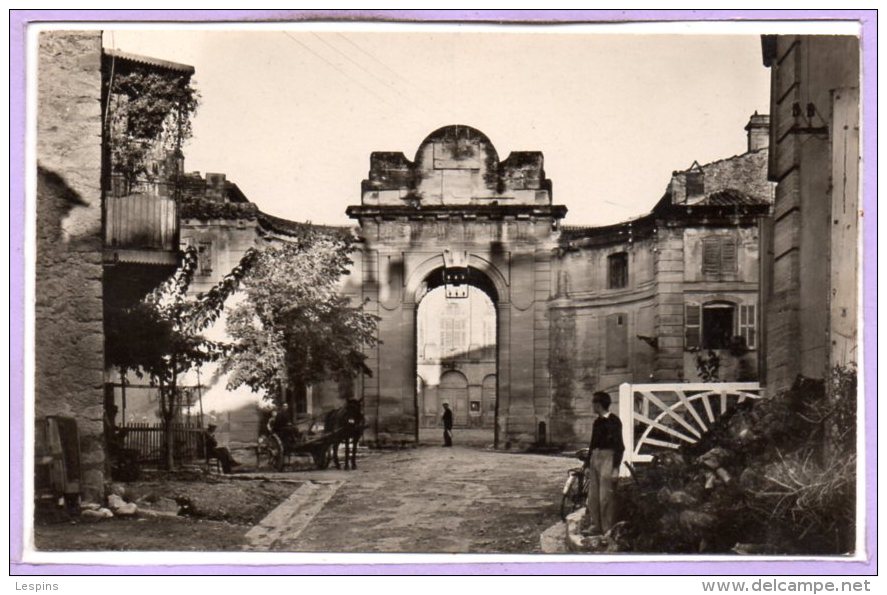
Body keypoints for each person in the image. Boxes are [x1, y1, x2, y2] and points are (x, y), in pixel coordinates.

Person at [582, 391, 625, 538]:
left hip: (608, 457)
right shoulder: (597, 422)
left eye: (594, 403)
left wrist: (615, 468)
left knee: (605, 496)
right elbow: (592, 444)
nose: (592, 406)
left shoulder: (614, 421)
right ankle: (596, 526)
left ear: (599, 405)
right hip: (595, 457)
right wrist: (587, 465)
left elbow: (620, 446)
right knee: (593, 496)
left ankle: (607, 529)